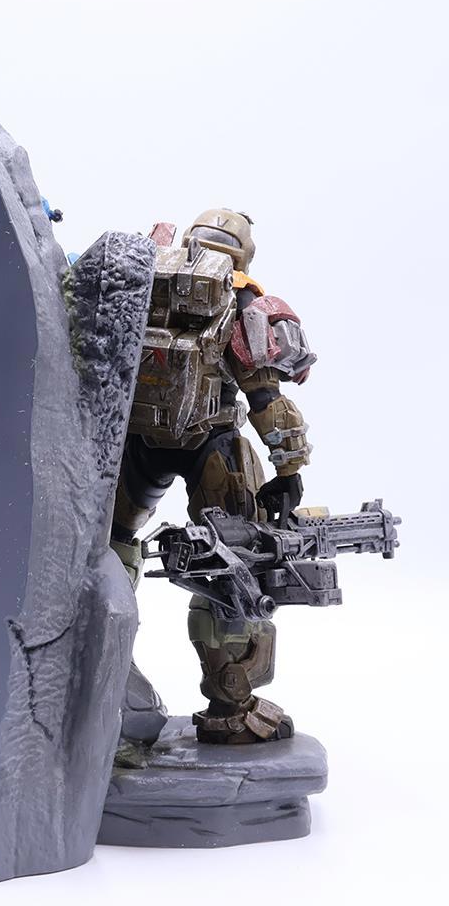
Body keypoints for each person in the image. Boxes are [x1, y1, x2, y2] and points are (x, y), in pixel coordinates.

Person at [111, 210, 316, 744]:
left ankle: (91, 676)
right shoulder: (242, 301)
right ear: (244, 253)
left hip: (138, 442)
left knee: (109, 551)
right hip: (212, 446)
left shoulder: (144, 277)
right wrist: (289, 470)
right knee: (232, 570)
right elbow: (266, 397)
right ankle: (231, 708)